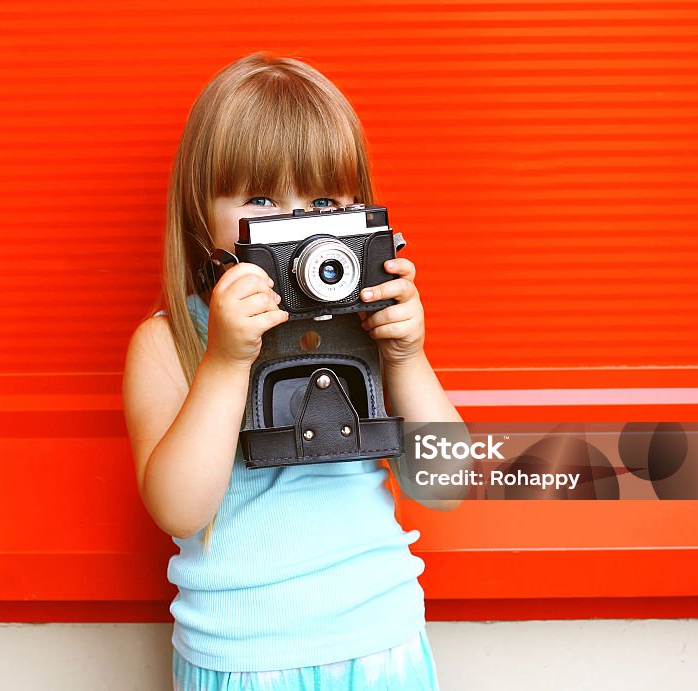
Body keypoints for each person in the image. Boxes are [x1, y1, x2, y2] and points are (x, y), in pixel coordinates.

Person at [122, 51, 464, 690]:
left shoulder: (369, 321)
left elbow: (447, 484)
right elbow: (177, 509)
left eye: (326, 199)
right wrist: (226, 361)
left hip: (380, 640)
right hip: (242, 657)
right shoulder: (170, 342)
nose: (295, 224)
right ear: (202, 213)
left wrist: (406, 356)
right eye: (259, 197)